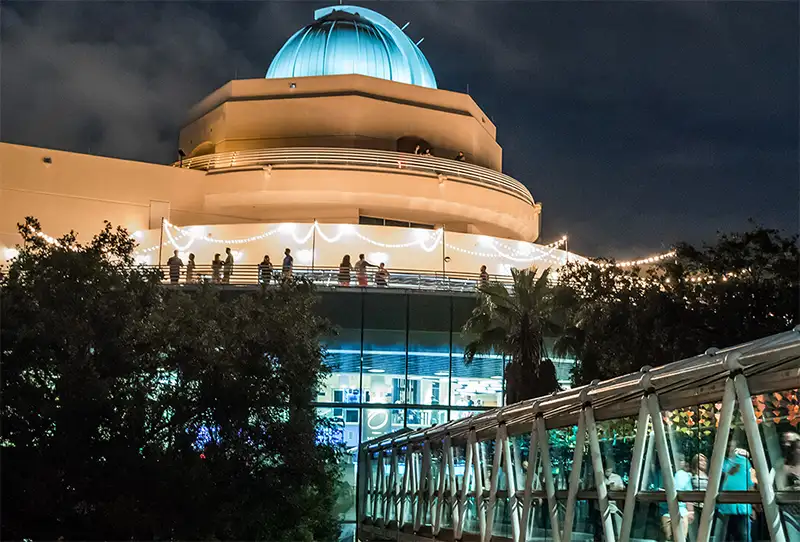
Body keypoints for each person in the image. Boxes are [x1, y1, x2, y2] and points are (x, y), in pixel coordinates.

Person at [716, 433, 754, 542]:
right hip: (725, 508)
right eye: (727, 446)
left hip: (743, 507)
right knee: (725, 537)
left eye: (731, 445)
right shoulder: (719, 462)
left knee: (744, 536)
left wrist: (754, 506)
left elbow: (750, 484)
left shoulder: (744, 461)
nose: (729, 448)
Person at [661, 454, 694, 541]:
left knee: (681, 538)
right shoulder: (664, 473)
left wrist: (691, 511)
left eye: (681, 460)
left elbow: (688, 494)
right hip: (666, 512)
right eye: (676, 459)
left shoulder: (684, 475)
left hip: (682, 512)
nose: (679, 462)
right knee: (668, 538)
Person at [605, 459, 625, 538]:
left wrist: (613, 487)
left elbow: (622, 488)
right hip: (603, 506)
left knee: (618, 525)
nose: (608, 470)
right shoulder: (599, 477)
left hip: (615, 505)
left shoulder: (617, 477)